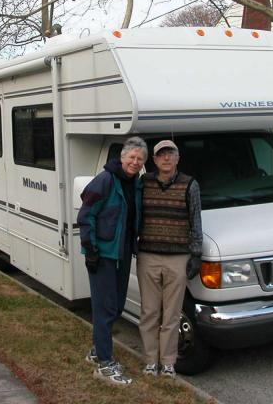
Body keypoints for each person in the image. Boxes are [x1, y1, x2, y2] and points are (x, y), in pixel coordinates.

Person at [77, 136, 147, 385]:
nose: (135, 162)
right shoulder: (105, 180)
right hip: (102, 254)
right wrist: (90, 248)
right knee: (105, 308)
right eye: (131, 157)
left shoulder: (135, 184)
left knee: (116, 306)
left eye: (140, 159)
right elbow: (86, 214)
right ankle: (105, 364)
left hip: (122, 252)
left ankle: (97, 350)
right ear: (122, 157)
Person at [137, 139, 203, 379]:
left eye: (171, 154)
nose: (166, 158)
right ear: (154, 160)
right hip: (148, 256)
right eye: (161, 155)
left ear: (178, 158)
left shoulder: (190, 185)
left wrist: (196, 254)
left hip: (178, 258)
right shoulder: (144, 183)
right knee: (150, 313)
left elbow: (196, 220)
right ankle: (150, 361)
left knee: (172, 315)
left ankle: (167, 363)